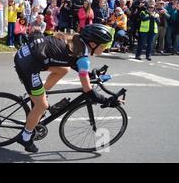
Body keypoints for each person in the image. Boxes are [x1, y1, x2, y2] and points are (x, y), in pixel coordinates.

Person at [13, 24, 115, 153]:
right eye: (104, 46)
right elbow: (87, 90)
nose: (105, 49)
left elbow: (70, 62)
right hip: (28, 65)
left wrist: (89, 75)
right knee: (42, 106)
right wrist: (106, 101)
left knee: (63, 70)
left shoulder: (76, 41)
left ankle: (39, 96)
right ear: (93, 44)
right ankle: (25, 136)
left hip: (28, 54)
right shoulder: (82, 57)